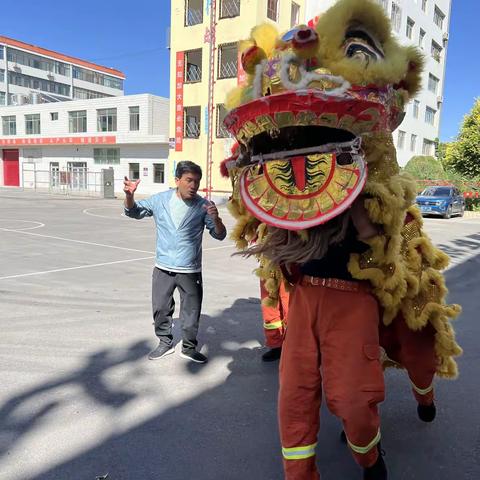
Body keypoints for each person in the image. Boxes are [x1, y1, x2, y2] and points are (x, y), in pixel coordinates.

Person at [123, 161, 227, 363]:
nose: (193, 185)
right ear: (177, 180)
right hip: (163, 266)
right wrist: (129, 195)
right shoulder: (160, 200)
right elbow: (134, 212)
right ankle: (164, 342)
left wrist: (216, 218)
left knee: (191, 310)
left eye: (197, 181)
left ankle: (189, 347)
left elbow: (219, 235)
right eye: (189, 180)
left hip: (190, 269)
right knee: (161, 307)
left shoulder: (203, 206)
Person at [259, 278, 289, 362]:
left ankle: (294, 345)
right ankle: (276, 346)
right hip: (268, 268)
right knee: (270, 306)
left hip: (289, 268)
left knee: (289, 305)